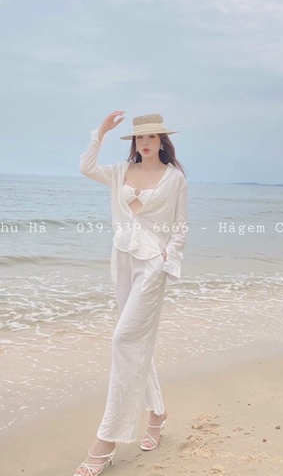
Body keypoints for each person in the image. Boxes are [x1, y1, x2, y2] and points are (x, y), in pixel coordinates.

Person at [73, 111, 188, 476]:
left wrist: (170, 256)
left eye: (151, 137)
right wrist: (101, 132)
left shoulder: (175, 178)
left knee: (124, 340)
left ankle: (106, 440)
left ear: (162, 141)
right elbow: (86, 167)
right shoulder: (120, 172)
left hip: (153, 264)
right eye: (139, 137)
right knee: (137, 342)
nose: (144, 142)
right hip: (122, 260)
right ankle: (157, 414)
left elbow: (180, 224)